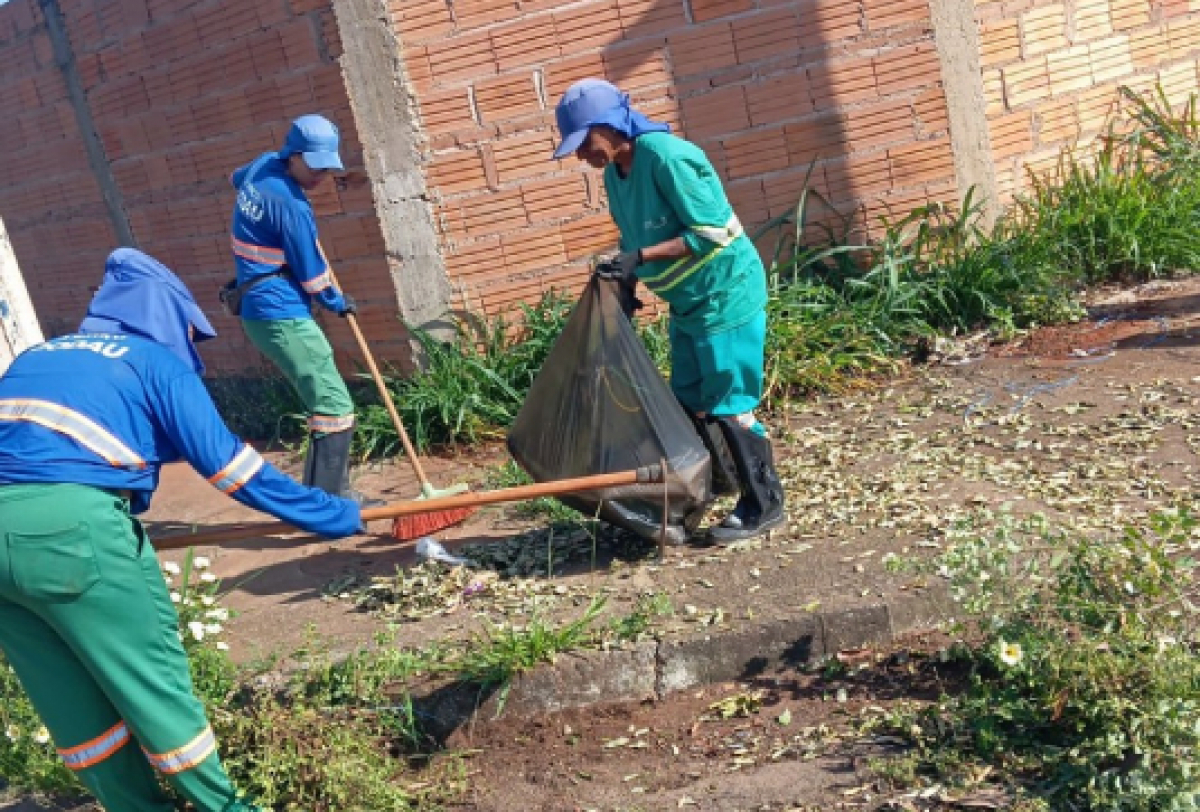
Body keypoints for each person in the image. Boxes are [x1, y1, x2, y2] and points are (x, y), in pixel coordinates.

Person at [0, 248, 362, 812]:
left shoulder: (37, 357)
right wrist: (334, 513)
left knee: (71, 704)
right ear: (166, 317)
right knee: (154, 688)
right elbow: (231, 469)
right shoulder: (151, 362)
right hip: (72, 533)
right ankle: (226, 809)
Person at [551, 78, 785, 544]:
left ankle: (764, 504)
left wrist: (641, 259)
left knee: (729, 403)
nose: (581, 156)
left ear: (610, 126)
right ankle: (718, 485)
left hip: (725, 295)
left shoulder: (668, 157)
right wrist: (629, 280)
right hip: (688, 303)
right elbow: (633, 239)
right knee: (691, 398)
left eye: (585, 143)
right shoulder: (615, 173)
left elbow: (713, 233)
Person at [226, 113, 378, 505]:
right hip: (281, 312)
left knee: (324, 403)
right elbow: (311, 273)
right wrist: (337, 302)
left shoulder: (262, 166)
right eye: (314, 165)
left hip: (259, 307)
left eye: (327, 166)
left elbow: (236, 179)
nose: (321, 175)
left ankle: (318, 496)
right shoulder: (293, 207)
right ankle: (332, 503)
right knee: (334, 404)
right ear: (292, 154)